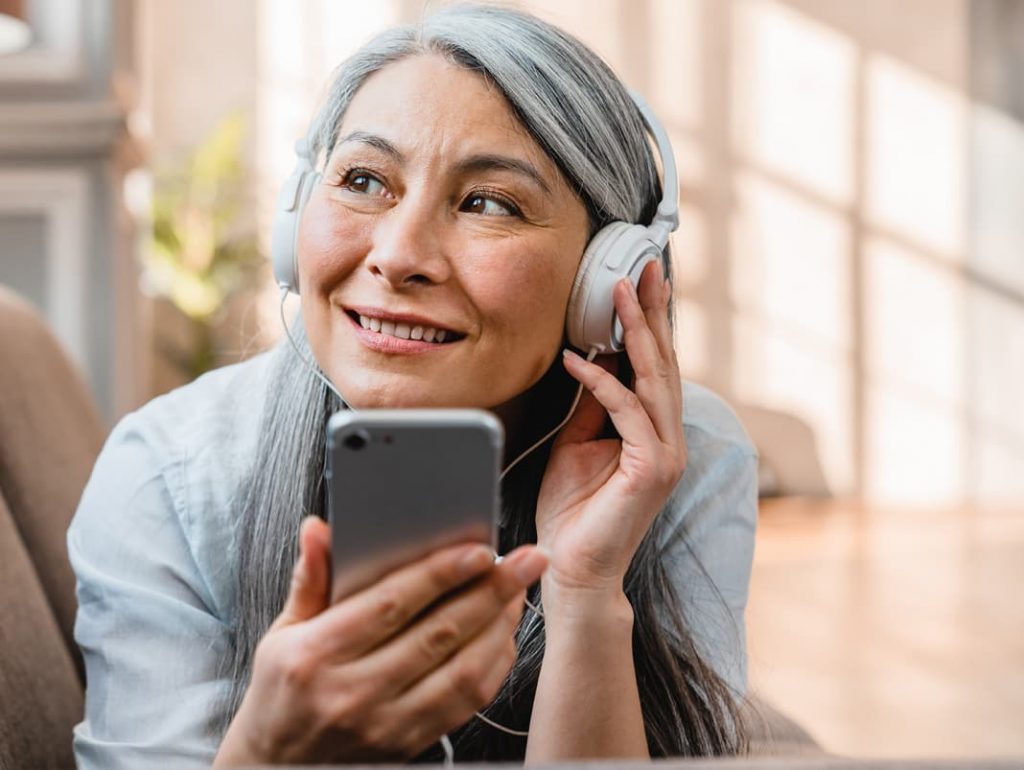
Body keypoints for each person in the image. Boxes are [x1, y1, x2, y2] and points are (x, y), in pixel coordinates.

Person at [68, 4, 758, 767]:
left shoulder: (682, 458)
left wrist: (588, 594)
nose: (398, 256)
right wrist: (268, 746)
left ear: (606, 279)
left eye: (489, 203)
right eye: (363, 180)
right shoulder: (171, 474)